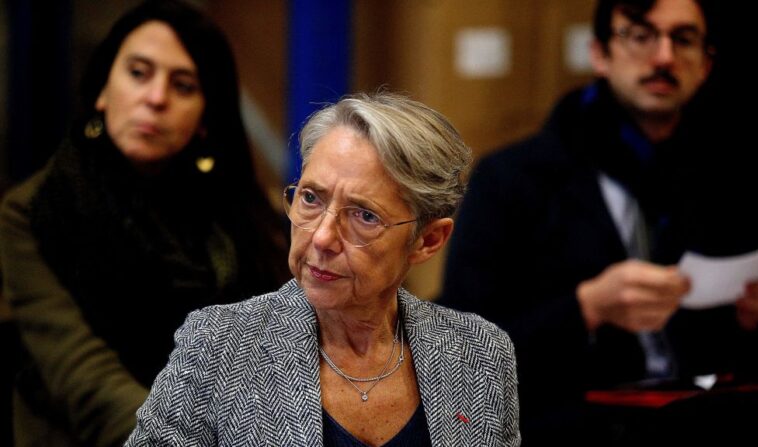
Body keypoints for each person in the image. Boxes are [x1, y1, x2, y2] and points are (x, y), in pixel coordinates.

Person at [440, 0, 758, 443]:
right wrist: (586, 308)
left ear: (705, 65)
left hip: (703, 416)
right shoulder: (512, 179)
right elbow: (455, 351)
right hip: (564, 420)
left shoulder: (735, 177)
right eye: (641, 35)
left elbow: (749, 354)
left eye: (682, 39)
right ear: (600, 55)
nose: (663, 57)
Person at [124, 92, 521, 446]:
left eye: (364, 216)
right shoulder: (218, 345)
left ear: (428, 240)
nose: (322, 238)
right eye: (311, 198)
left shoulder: (480, 353)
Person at [0, 1, 290, 445]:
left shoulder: (243, 219)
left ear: (204, 120)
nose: (155, 98)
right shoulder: (32, 212)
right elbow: (83, 376)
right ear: (102, 89)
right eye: (138, 73)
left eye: (183, 85)